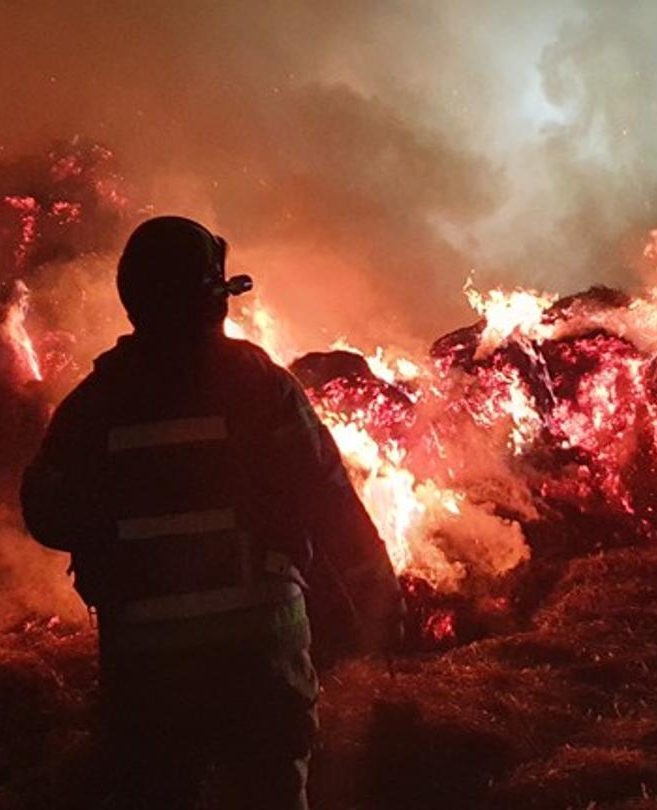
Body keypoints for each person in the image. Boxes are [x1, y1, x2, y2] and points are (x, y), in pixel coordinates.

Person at [21, 216, 402, 809]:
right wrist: (375, 591)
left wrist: (117, 524)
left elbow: (45, 510)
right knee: (269, 792)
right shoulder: (262, 386)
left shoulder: (97, 401)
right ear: (212, 299)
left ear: (133, 301)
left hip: (147, 664)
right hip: (263, 653)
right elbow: (328, 497)